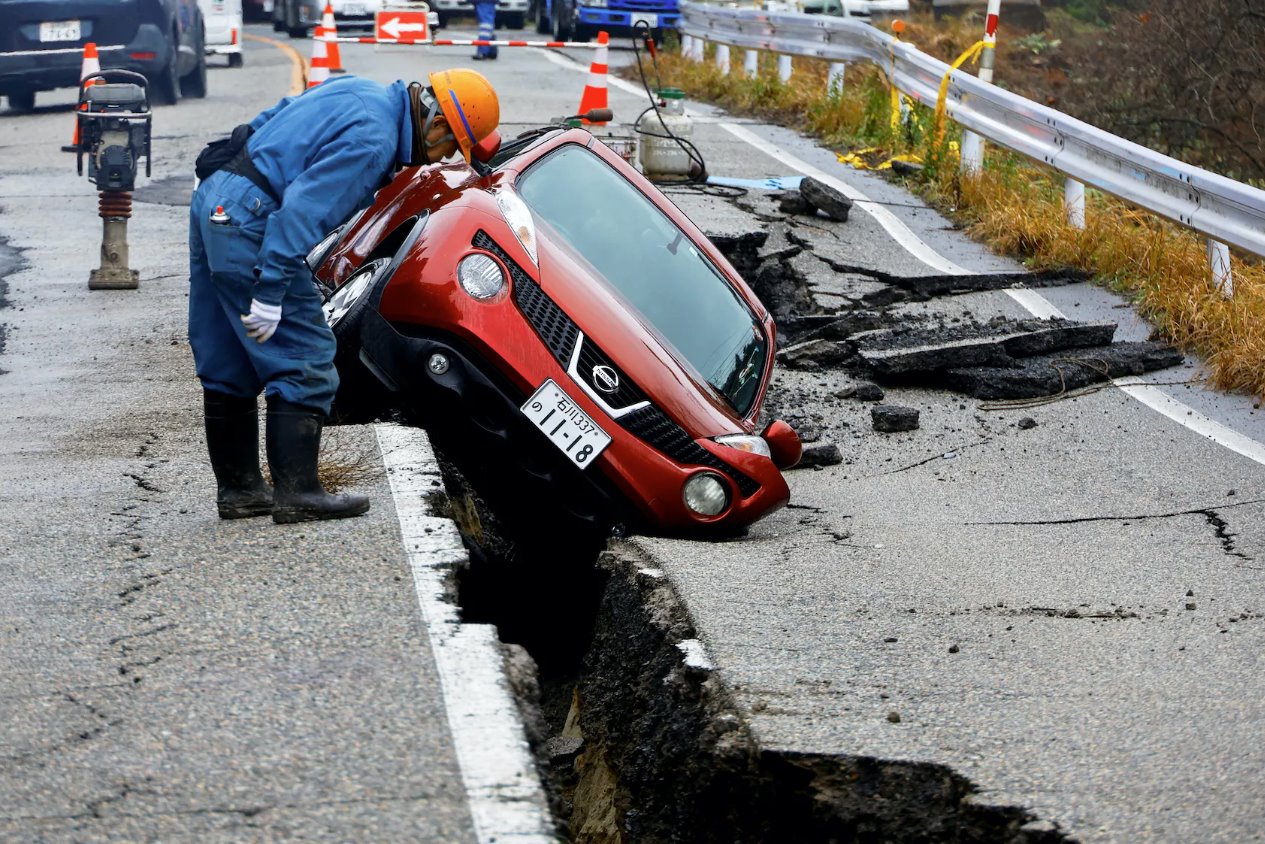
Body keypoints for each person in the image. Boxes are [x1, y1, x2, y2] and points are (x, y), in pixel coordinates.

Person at [189, 70, 501, 524]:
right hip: (249, 221)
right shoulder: (372, 143)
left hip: (217, 197)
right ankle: (298, 493)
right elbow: (300, 213)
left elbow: (279, 114)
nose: (443, 157)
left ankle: (240, 489)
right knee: (307, 353)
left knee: (225, 350)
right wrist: (272, 288)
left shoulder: (362, 90)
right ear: (435, 124)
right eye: (450, 146)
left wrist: (228, 165)